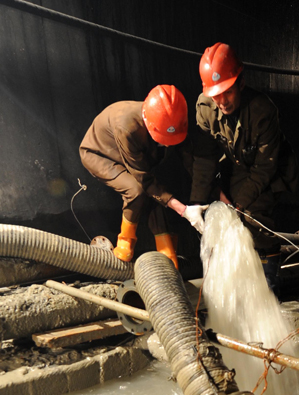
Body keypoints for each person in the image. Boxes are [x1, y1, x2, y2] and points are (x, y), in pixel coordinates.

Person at [190, 43, 297, 292]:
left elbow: (263, 169)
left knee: (254, 217)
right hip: (237, 163)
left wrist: (237, 206)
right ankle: (234, 285)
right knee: (215, 214)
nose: (222, 101)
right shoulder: (205, 108)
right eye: (215, 94)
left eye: (227, 91)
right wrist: (198, 202)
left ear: (240, 82)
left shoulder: (262, 111)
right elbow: (204, 159)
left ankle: (269, 285)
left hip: (270, 167)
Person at [79, 85, 207, 268]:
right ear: (149, 124)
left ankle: (167, 253)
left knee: (160, 189)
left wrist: (202, 196)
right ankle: (125, 243)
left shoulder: (172, 120)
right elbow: (144, 181)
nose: (169, 146)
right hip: (100, 154)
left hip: (135, 153)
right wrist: (183, 210)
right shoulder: (128, 127)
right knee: (136, 190)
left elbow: (190, 162)